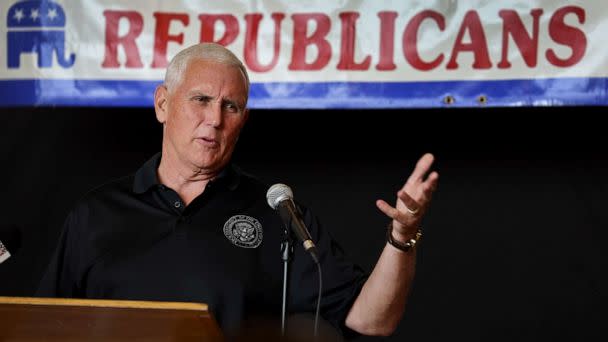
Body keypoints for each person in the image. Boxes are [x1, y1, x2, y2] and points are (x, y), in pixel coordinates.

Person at [36, 43, 439, 338]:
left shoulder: (276, 212)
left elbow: (371, 319)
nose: (214, 119)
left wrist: (401, 239)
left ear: (243, 120)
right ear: (162, 104)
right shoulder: (96, 213)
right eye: (201, 100)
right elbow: (43, 328)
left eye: (231, 107)